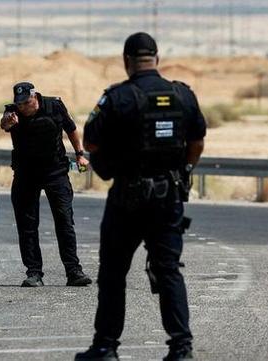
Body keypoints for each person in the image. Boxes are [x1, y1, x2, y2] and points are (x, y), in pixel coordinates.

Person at [75, 32, 206, 361]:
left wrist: (117, 154)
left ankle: (105, 348)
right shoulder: (182, 95)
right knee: (169, 270)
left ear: (126, 62)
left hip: (127, 199)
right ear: (157, 59)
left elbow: (90, 143)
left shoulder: (117, 97)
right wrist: (184, 170)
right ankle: (181, 349)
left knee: (113, 273)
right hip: (168, 196)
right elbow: (197, 141)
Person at [0, 81, 92, 287]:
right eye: (19, 103)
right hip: (25, 174)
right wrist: (8, 121)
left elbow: (71, 129)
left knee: (64, 220)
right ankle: (34, 272)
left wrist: (79, 155)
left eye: (25, 103)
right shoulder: (12, 112)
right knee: (27, 225)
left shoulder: (54, 106)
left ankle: (73, 271)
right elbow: (4, 124)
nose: (22, 107)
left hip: (55, 172)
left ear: (35, 97)